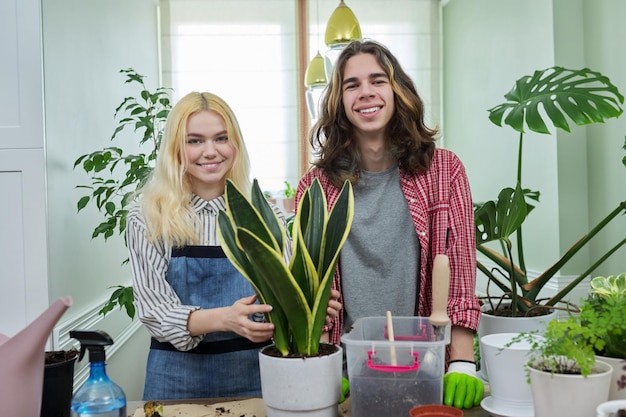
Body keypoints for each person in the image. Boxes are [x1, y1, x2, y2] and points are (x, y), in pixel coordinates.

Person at [296, 39, 484, 409]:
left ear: (398, 91)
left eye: (377, 81)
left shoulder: (445, 172)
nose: (366, 93)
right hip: (344, 373)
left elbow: (460, 273)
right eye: (352, 85)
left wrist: (462, 361)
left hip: (426, 368)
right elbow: (306, 283)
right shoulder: (315, 188)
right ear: (339, 102)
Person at [127, 92, 341, 400]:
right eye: (195, 141)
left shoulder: (266, 216)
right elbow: (155, 311)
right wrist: (225, 319)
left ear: (235, 144)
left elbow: (286, 297)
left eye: (221, 138)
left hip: (258, 378)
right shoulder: (147, 216)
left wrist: (313, 307)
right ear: (175, 148)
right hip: (176, 380)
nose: (210, 151)